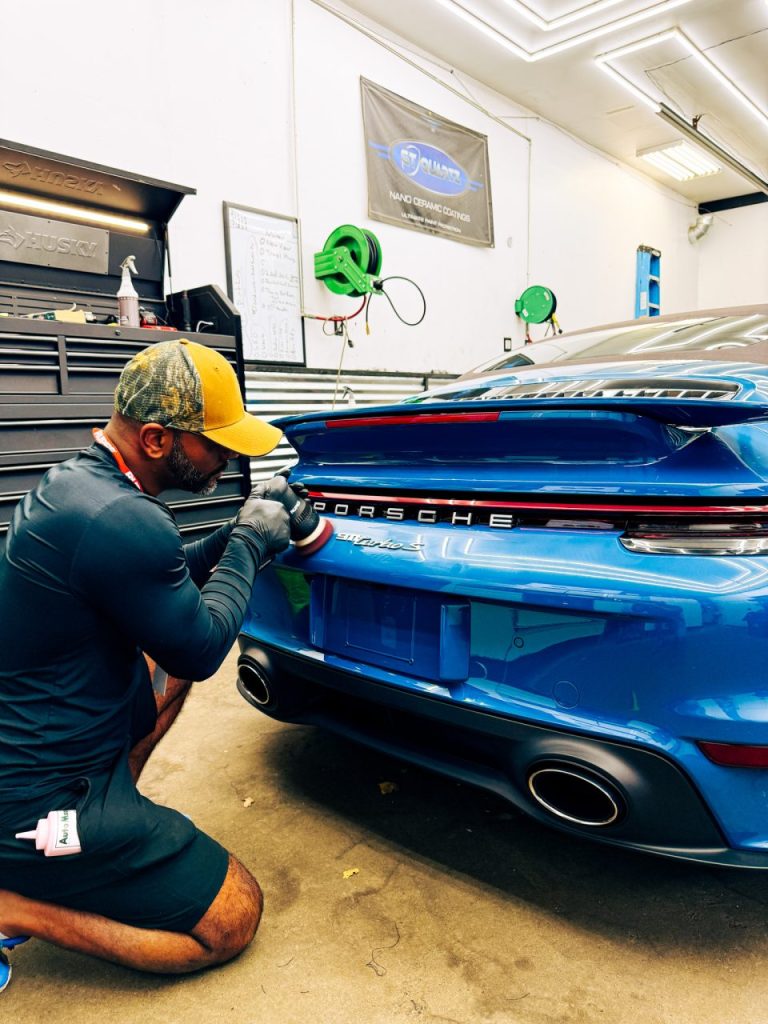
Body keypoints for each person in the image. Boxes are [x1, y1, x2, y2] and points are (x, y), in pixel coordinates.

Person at [0, 338, 293, 988]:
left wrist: (230, 537)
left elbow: (160, 588)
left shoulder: (83, 486)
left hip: (52, 756)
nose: (231, 456)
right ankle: (12, 902)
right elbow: (199, 647)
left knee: (171, 654)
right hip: (37, 804)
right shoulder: (121, 518)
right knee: (232, 916)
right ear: (158, 439)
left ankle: (110, 822)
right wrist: (249, 540)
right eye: (216, 443)